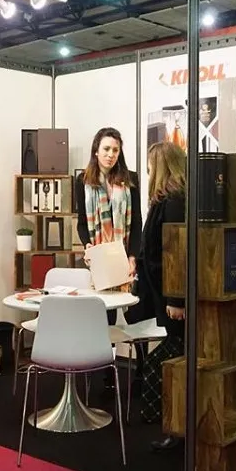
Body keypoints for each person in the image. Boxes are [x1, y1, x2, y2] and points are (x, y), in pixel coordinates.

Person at [75, 127, 143, 390]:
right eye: (106, 149)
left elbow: (136, 223)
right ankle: (105, 371)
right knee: (105, 315)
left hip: (124, 255)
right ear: (96, 150)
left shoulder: (130, 180)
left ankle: (142, 371)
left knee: (134, 312)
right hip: (100, 256)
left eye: (115, 150)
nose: (110, 154)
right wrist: (87, 244)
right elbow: (82, 222)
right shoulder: (83, 181)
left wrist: (133, 256)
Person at [136, 141, 186, 451]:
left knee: (171, 361)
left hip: (172, 296)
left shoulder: (174, 202)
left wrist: (176, 299)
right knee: (171, 358)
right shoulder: (169, 200)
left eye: (151, 166)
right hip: (165, 293)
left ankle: (176, 428)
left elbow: (175, 253)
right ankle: (175, 427)